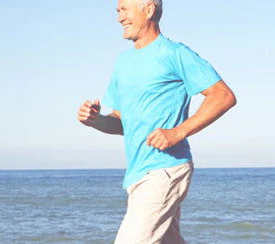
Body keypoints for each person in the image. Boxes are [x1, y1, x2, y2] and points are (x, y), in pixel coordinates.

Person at [77, 0, 237, 243]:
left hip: (164, 169)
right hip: (136, 175)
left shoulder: (175, 54)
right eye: (117, 11)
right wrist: (95, 120)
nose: (119, 18)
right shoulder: (123, 63)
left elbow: (223, 96)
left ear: (148, 10)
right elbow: (121, 121)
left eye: (124, 10)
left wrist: (178, 132)